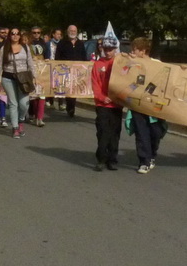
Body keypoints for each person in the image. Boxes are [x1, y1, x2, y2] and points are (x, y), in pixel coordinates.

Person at [126, 38, 167, 174]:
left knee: (156, 132)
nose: (132, 52)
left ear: (143, 51)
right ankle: (144, 161)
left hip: (154, 104)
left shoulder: (157, 64)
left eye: (134, 50)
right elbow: (125, 78)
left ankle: (152, 154)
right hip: (138, 104)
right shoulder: (132, 63)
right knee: (141, 132)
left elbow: (164, 80)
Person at [0, 28, 35, 139]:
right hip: (8, 78)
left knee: (24, 103)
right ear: (9, 36)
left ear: (20, 36)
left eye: (17, 34)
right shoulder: (4, 48)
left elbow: (30, 63)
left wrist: (35, 77)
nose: (15, 36)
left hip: (23, 79)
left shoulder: (25, 47)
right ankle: (15, 127)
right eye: (13, 34)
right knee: (13, 103)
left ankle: (21, 120)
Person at [92, 36, 122, 171]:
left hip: (116, 104)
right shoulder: (98, 64)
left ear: (115, 49)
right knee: (103, 131)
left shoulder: (119, 63)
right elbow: (95, 84)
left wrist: (117, 97)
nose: (108, 52)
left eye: (111, 49)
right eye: (106, 49)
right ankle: (101, 158)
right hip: (102, 105)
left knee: (115, 133)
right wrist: (102, 97)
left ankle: (112, 159)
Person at [55, 25, 87, 117]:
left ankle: (71, 108)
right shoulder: (62, 43)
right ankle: (70, 107)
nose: (72, 32)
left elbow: (84, 57)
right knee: (68, 90)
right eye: (71, 31)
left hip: (77, 72)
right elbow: (57, 57)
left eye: (74, 31)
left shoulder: (80, 44)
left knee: (75, 90)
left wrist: (84, 68)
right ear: (67, 31)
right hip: (66, 71)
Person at [29, 27, 46, 127]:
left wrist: (47, 60)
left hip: (42, 71)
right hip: (32, 72)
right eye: (34, 32)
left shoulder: (43, 43)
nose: (36, 34)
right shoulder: (28, 44)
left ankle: (40, 118)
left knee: (42, 95)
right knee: (34, 97)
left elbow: (47, 54)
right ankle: (34, 115)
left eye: (38, 32)